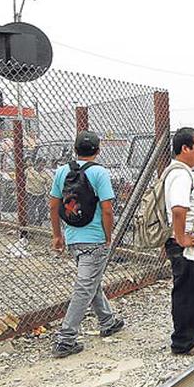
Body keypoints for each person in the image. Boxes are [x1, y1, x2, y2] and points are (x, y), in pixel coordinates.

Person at [48, 131, 125, 358]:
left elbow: (54, 206)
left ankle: (107, 321)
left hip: (73, 237)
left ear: (75, 149)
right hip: (95, 239)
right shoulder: (100, 172)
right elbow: (108, 208)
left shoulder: (62, 171)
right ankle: (66, 338)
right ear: (98, 150)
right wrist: (108, 235)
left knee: (91, 281)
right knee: (85, 286)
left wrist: (57, 235)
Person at [165, 127, 194, 356]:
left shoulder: (184, 172)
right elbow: (179, 209)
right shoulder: (180, 175)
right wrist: (181, 238)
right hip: (185, 244)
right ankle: (183, 341)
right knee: (186, 291)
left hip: (192, 241)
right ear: (185, 148)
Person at [24, 158, 53, 225]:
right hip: (30, 193)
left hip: (40, 194)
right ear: (36, 164)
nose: (41, 167)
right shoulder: (29, 170)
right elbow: (23, 178)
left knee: (43, 209)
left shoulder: (45, 174)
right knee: (31, 210)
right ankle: (32, 224)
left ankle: (39, 221)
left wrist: (49, 192)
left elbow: (49, 183)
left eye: (43, 166)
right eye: (40, 165)